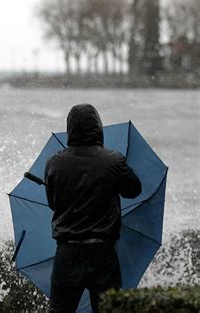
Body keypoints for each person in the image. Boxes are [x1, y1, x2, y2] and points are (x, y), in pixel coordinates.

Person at [44, 104, 142, 313]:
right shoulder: (113, 160)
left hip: (67, 253)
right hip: (103, 254)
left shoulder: (54, 162)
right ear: (98, 127)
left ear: (70, 129)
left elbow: (54, 203)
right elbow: (134, 190)